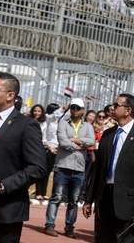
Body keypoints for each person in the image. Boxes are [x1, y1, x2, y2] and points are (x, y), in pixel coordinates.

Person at [82, 93, 134, 243]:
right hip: (104, 198)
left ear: (128, 110)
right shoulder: (108, 134)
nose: (112, 108)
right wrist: (88, 199)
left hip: (127, 202)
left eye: (117, 105)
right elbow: (97, 169)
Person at [0, 71, 47, 242]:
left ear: (10, 95)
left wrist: (2, 186)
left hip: (5, 212)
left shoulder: (26, 125)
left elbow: (37, 168)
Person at [44, 98, 95, 238]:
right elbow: (62, 141)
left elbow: (92, 141)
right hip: (63, 165)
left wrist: (75, 140)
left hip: (79, 168)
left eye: (78, 108)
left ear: (83, 110)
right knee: (56, 197)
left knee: (74, 200)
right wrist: (79, 145)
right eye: (73, 107)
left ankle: (69, 227)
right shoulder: (63, 123)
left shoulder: (88, 126)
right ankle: (49, 225)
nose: (75, 110)